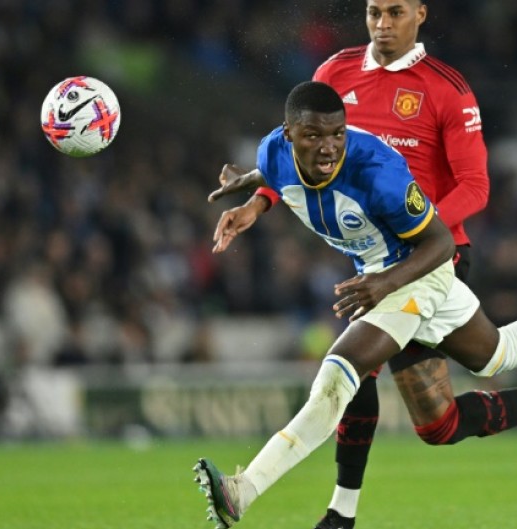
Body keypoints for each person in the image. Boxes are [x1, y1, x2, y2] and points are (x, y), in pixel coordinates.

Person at [194, 81, 517, 528]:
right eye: (313, 137)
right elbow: (274, 171)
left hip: (416, 268)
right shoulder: (272, 152)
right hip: (382, 274)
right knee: (496, 355)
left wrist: (385, 283)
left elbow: (438, 243)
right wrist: (252, 198)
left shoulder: (376, 171)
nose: (327, 149)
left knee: (336, 377)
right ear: (288, 133)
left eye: (336, 136)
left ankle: (245, 490)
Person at [212, 2, 496, 526]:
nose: (383, 23)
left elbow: (476, 185)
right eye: (373, 12)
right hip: (367, 265)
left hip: (432, 258)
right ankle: (340, 513)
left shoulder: (447, 88)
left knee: (417, 405)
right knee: (400, 403)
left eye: (395, 12)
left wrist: (419, 236)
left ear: (420, 14)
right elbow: (305, 161)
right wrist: (258, 202)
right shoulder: (334, 74)